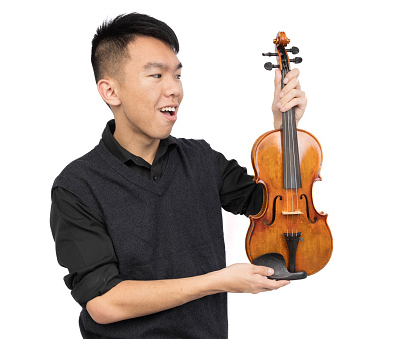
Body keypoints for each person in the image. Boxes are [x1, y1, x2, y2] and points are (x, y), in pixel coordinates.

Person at [50, 13, 307, 339]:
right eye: (156, 75)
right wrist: (218, 281)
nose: (174, 89)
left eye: (178, 75)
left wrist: (283, 128)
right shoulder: (77, 185)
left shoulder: (201, 159)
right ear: (111, 91)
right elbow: (104, 303)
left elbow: (275, 208)